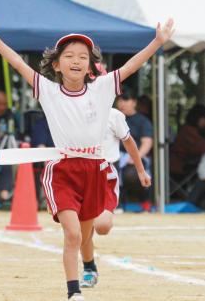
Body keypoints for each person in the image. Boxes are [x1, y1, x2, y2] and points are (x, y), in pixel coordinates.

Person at [0, 17, 174, 301]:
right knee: (71, 235)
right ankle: (74, 293)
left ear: (90, 65)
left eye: (83, 56)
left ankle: (89, 264)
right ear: (56, 65)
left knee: (85, 236)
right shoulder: (47, 90)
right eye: (69, 56)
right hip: (63, 169)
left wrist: (157, 42)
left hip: (95, 170)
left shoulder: (103, 88)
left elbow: (131, 66)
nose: (76, 60)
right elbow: (18, 63)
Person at [79, 66, 151, 288]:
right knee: (81, 230)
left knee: (101, 226)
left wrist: (140, 169)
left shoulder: (115, 116)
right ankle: (89, 267)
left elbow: (129, 143)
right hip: (79, 174)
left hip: (104, 175)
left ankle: (91, 229)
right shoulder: (72, 111)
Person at [170, 104, 205, 177]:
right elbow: (203, 148)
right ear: (196, 118)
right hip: (181, 168)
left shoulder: (192, 130)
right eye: (204, 119)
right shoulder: (188, 131)